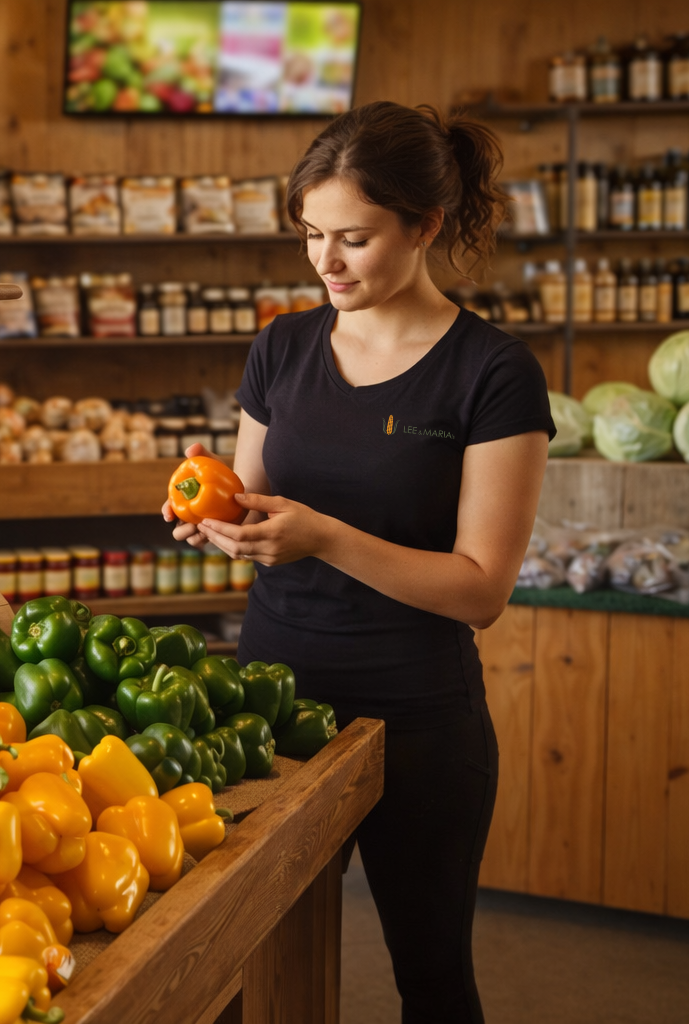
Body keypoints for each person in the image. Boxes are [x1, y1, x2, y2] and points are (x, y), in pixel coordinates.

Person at [164, 101, 553, 1023]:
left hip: (420, 721)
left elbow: (480, 590)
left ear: (424, 227)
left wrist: (324, 535)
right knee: (242, 963)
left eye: (353, 238)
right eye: (310, 235)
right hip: (273, 710)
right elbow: (249, 497)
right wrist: (215, 518)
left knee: (431, 977)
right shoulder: (283, 345)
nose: (325, 263)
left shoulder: (493, 373)